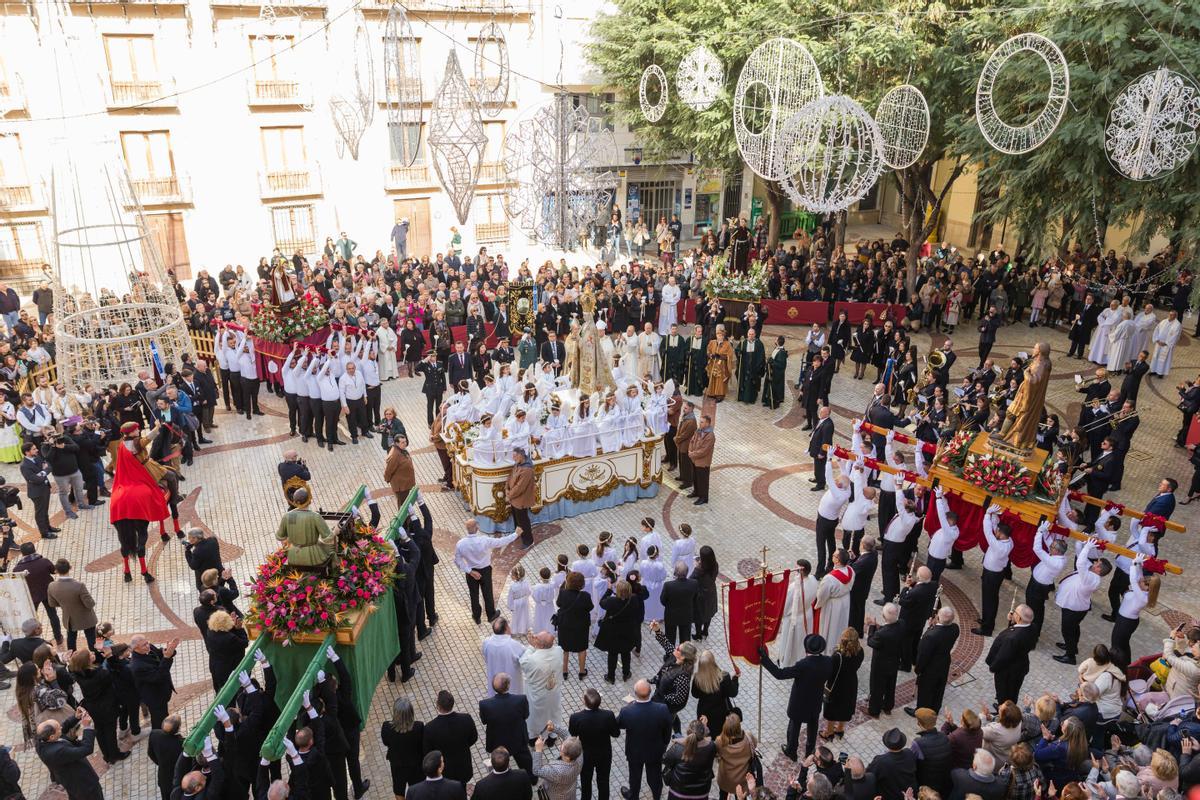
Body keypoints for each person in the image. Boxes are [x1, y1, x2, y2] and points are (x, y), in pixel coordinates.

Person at [760, 633, 832, 760]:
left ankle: (791, 751)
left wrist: (765, 659)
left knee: (794, 727)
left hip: (799, 703)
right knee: (813, 728)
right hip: (815, 702)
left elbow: (779, 674)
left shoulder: (802, 665)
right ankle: (810, 753)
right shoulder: (827, 662)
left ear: (806, 649)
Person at [1053, 539, 1110, 665]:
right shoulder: (1090, 571)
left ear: (1099, 570)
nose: (1094, 563)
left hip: (1074, 608)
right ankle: (1071, 646)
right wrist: (1082, 542)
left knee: (1067, 630)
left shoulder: (1093, 578)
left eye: (1097, 563)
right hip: (1074, 605)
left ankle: (1070, 656)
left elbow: (1079, 563)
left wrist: (1088, 548)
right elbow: (1080, 555)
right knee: (1073, 629)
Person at [453, 519, 517, 624]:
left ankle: (476, 616)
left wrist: (470, 571)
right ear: (477, 528)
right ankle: (491, 614)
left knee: (473, 594)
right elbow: (501, 541)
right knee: (487, 592)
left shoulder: (461, 544)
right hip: (485, 570)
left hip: (471, 573)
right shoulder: (484, 540)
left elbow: (457, 560)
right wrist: (515, 534)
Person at [617, 679, 673, 800]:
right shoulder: (662, 709)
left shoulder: (627, 711)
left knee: (635, 777)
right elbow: (668, 729)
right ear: (650, 692)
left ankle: (633, 796)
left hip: (635, 752)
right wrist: (664, 744)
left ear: (635, 694)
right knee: (655, 777)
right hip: (655, 751)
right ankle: (657, 796)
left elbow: (618, 725)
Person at [907, 607, 959, 716]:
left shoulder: (931, 636)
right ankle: (935, 708)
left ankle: (921, 712)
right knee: (939, 688)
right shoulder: (955, 628)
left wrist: (918, 669)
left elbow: (923, 654)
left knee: (925, 690)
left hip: (930, 668)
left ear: (938, 618)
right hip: (944, 662)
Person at [35, 716, 103, 800]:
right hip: (83, 785)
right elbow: (86, 749)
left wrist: (76, 717)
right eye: (59, 728)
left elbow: (62, 728)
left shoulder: (41, 739)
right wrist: (87, 727)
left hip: (70, 782)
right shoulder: (58, 751)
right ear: (51, 737)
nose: (61, 727)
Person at [478, 673, 533, 776]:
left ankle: (500, 776)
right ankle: (532, 779)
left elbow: (484, 721)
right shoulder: (521, 699)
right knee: (526, 761)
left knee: (499, 762)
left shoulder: (484, 704)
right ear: (508, 685)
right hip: (517, 738)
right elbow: (526, 715)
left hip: (497, 740)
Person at [570, 688, 619, 800]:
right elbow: (616, 734)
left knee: (585, 781)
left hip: (586, 756)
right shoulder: (608, 715)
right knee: (603, 781)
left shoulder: (576, 718)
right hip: (604, 755)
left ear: (584, 701)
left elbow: (573, 734)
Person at [972, 504, 1014, 637]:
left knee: (989, 600)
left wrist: (986, 514)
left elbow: (987, 532)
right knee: (990, 599)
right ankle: (986, 620)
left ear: (1001, 535)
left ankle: (987, 628)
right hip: (994, 573)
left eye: (998, 531)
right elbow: (995, 527)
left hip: (992, 575)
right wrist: (994, 514)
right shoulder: (1008, 540)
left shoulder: (999, 546)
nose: (995, 532)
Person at [422, 690, 478, 786]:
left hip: (444, 771)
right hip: (463, 766)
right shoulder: (466, 719)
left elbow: (427, 751)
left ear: (438, 706)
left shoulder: (430, 728)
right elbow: (474, 738)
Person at [985, 604, 1037, 705]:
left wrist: (993, 667)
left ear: (1019, 617)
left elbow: (1002, 657)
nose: (1013, 613)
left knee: (1004, 693)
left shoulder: (1012, 639)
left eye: (1015, 613)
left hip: (1007, 672)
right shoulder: (1033, 627)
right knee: (1013, 691)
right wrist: (1011, 622)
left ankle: (1004, 711)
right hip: (1020, 666)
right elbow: (1016, 630)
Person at [820, 628, 863, 741]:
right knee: (846, 707)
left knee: (832, 708)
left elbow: (830, 672)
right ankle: (840, 729)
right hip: (851, 683)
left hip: (837, 685)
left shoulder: (837, 656)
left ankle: (829, 732)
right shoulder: (860, 651)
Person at [128, 633, 180, 728]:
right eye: (144, 645)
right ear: (135, 648)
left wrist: (170, 650)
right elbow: (158, 677)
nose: (148, 646)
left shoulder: (148, 647)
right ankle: (159, 737)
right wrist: (167, 658)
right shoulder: (137, 666)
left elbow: (159, 654)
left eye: (147, 642)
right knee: (159, 720)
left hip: (161, 691)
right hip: (154, 697)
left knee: (164, 714)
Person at [14, 543, 61, 644]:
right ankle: (58, 638)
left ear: (22, 554)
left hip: (32, 596)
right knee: (53, 615)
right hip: (47, 592)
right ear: (34, 550)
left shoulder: (18, 569)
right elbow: (53, 571)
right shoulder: (44, 561)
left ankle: (35, 640)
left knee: (32, 619)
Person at [46, 559, 97, 653]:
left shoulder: (51, 586)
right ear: (70, 568)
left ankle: (72, 658)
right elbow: (90, 604)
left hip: (69, 619)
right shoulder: (79, 585)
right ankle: (96, 657)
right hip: (86, 618)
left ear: (56, 571)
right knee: (91, 640)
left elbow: (52, 604)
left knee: (71, 640)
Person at [866, 603, 905, 719]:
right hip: (894, 662)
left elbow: (871, 642)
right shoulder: (902, 624)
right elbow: (890, 628)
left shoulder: (881, 634)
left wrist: (872, 626)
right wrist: (879, 626)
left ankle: (874, 710)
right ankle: (888, 707)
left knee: (876, 687)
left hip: (880, 665)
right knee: (890, 685)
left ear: (883, 616)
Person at [381, 697, 425, 800]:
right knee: (416, 791)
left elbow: (386, 742)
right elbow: (422, 744)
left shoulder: (387, 727)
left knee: (399, 790)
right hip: (416, 766)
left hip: (397, 765)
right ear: (411, 712)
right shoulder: (419, 727)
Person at [691, 650, 740, 744]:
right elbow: (733, 693)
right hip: (721, 713)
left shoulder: (697, 678)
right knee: (721, 736)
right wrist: (735, 680)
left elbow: (695, 694)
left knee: (707, 736)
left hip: (704, 714)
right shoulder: (724, 677)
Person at [662, 718, 717, 800]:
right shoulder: (711, 747)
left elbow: (665, 759)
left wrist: (680, 740)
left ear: (688, 733)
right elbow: (708, 740)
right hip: (701, 793)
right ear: (703, 733)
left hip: (678, 792)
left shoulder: (678, 748)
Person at [896, 565, 936, 673]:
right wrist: (913, 584)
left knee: (906, 643)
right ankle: (914, 659)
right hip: (920, 619)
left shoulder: (915, 593)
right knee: (915, 640)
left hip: (909, 621)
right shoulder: (933, 585)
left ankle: (905, 664)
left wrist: (905, 587)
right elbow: (919, 587)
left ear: (918, 577)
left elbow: (903, 601)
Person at [556, 572, 594, 678]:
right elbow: (590, 607)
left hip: (565, 625)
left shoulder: (563, 593)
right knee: (581, 648)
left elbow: (558, 604)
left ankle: (565, 671)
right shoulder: (585, 596)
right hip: (581, 626)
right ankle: (582, 671)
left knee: (564, 649)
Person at [910, 708, 953, 798]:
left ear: (919, 723)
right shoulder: (944, 736)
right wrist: (949, 723)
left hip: (927, 785)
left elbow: (912, 762)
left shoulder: (918, 743)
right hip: (944, 782)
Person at [866, 728, 917, 800]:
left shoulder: (881, 761)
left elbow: (869, 774)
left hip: (891, 796)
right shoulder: (909, 752)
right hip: (910, 793)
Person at [714, 714, 756, 800]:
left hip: (725, 778)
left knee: (723, 797)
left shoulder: (720, 741)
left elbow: (716, 754)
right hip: (742, 779)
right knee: (741, 797)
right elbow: (754, 745)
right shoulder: (748, 738)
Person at [20, 442, 56, 540]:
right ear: (27, 452)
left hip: (45, 488)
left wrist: (42, 472)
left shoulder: (37, 457)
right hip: (37, 492)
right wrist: (44, 471)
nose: (37, 450)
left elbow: (49, 466)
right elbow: (35, 479)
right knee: (40, 513)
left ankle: (48, 527)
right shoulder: (24, 466)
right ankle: (44, 533)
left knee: (45, 511)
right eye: (34, 449)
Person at [659, 562, 699, 645]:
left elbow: (663, 600)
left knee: (670, 637)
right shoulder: (694, 583)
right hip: (686, 614)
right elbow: (695, 598)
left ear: (676, 573)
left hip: (671, 615)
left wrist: (670, 606)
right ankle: (684, 656)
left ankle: (670, 656)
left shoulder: (668, 585)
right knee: (685, 638)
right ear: (687, 572)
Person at [148, 715, 184, 800]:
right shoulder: (181, 743)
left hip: (164, 778)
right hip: (178, 778)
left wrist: (161, 763)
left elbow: (150, 753)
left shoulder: (154, 734)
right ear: (177, 728)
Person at [506, 448, 536, 548]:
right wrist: (507, 488)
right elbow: (510, 476)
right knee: (517, 519)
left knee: (523, 521)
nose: (513, 458)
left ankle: (528, 541)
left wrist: (509, 495)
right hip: (514, 498)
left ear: (521, 455)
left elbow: (520, 487)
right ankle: (518, 534)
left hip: (521, 499)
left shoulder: (527, 469)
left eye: (515, 456)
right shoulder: (518, 464)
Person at [687, 415, 714, 505]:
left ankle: (703, 497)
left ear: (707, 423)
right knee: (695, 477)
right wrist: (690, 450)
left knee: (703, 480)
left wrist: (692, 454)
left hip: (702, 462)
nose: (700, 423)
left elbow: (704, 451)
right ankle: (696, 492)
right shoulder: (698, 431)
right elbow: (692, 441)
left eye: (702, 422)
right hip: (695, 460)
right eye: (700, 421)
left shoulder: (710, 436)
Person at [384, 434, 416, 507]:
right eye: (402, 442)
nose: (405, 444)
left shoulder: (401, 450)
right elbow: (389, 470)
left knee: (406, 504)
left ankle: (407, 518)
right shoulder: (394, 455)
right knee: (403, 506)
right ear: (396, 443)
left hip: (405, 484)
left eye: (405, 442)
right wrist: (387, 479)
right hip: (401, 487)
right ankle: (405, 518)